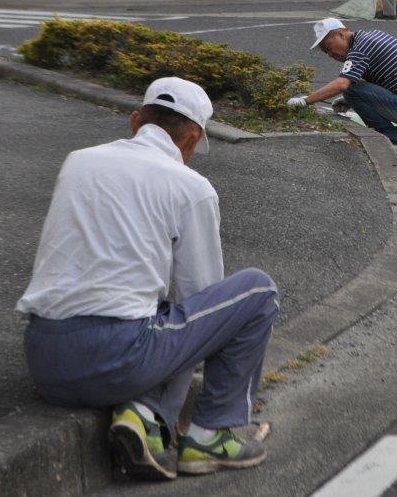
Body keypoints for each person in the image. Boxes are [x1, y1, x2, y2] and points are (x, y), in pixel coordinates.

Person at [17, 77, 278, 481]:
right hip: (117, 359)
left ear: (136, 120)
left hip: (45, 358)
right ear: (192, 136)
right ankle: (210, 433)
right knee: (257, 291)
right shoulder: (191, 186)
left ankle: (144, 418)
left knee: (157, 312)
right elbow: (202, 298)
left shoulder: (78, 161)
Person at [288, 18, 397, 151]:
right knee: (390, 83)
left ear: (341, 34)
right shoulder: (373, 36)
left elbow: (342, 84)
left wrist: (305, 100)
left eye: (328, 47)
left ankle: (393, 138)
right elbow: (387, 79)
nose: (330, 54)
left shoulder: (358, 50)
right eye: (325, 52)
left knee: (351, 89)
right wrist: (349, 101)